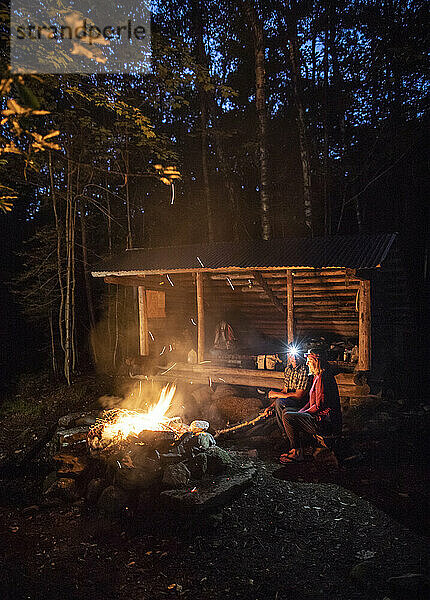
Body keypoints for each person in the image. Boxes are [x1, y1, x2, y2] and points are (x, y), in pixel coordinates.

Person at [279, 347, 342, 464]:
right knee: (286, 412)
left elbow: (319, 406)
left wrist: (302, 414)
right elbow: (310, 402)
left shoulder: (324, 378)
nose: (307, 362)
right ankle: (296, 448)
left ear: (316, 361)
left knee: (288, 416)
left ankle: (297, 453)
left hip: (326, 423)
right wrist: (301, 412)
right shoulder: (317, 377)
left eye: (309, 360)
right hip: (318, 417)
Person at [261, 348, 310, 433]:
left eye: (297, 355)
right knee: (276, 403)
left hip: (302, 403)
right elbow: (284, 391)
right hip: (289, 400)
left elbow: (299, 396)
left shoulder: (304, 370)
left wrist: (275, 394)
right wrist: (271, 406)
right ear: (288, 356)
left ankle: (285, 433)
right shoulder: (288, 369)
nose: (294, 358)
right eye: (291, 355)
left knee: (280, 403)